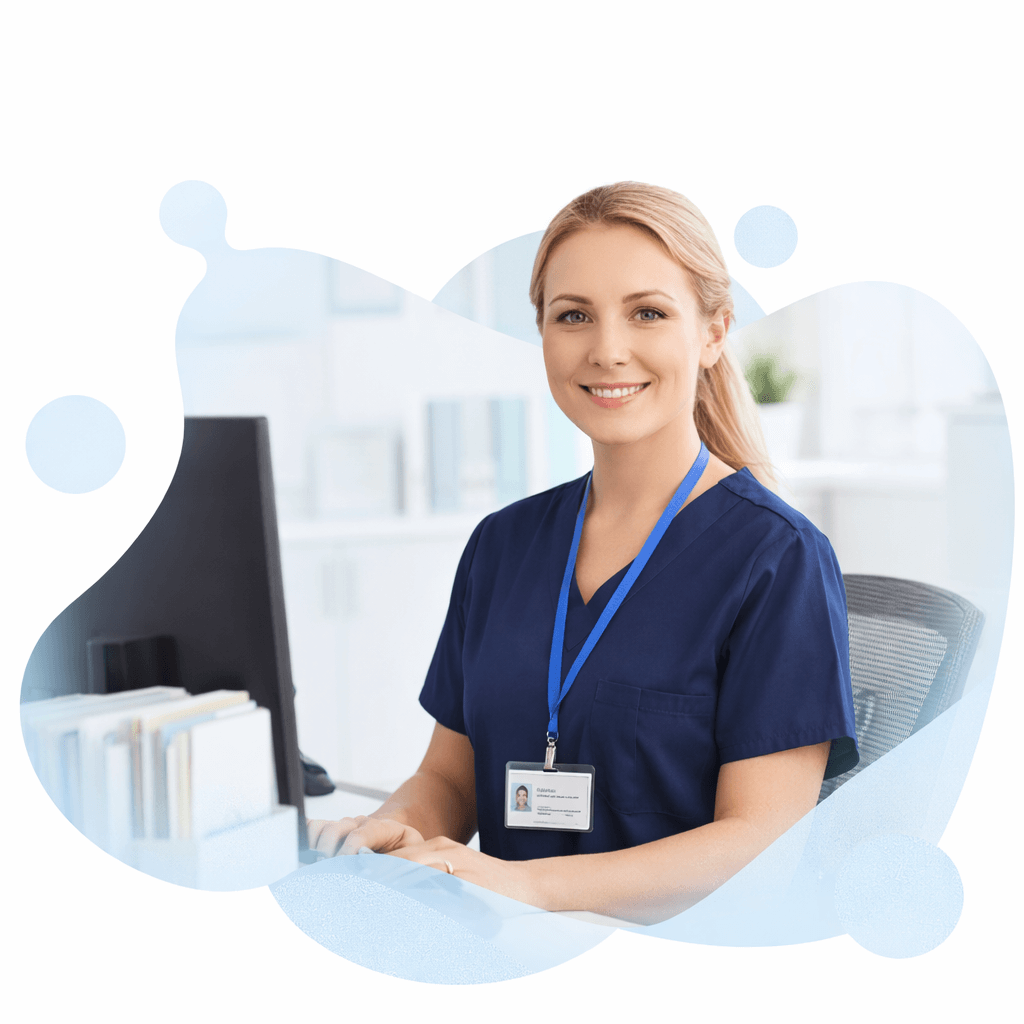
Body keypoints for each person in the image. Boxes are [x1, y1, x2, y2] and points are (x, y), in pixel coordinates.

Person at [308, 182, 857, 925]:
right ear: (542, 332)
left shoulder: (778, 560)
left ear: (713, 333)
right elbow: (450, 779)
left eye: (648, 313)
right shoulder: (502, 545)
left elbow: (761, 850)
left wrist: (531, 887)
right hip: (497, 943)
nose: (607, 350)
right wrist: (393, 829)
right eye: (573, 316)